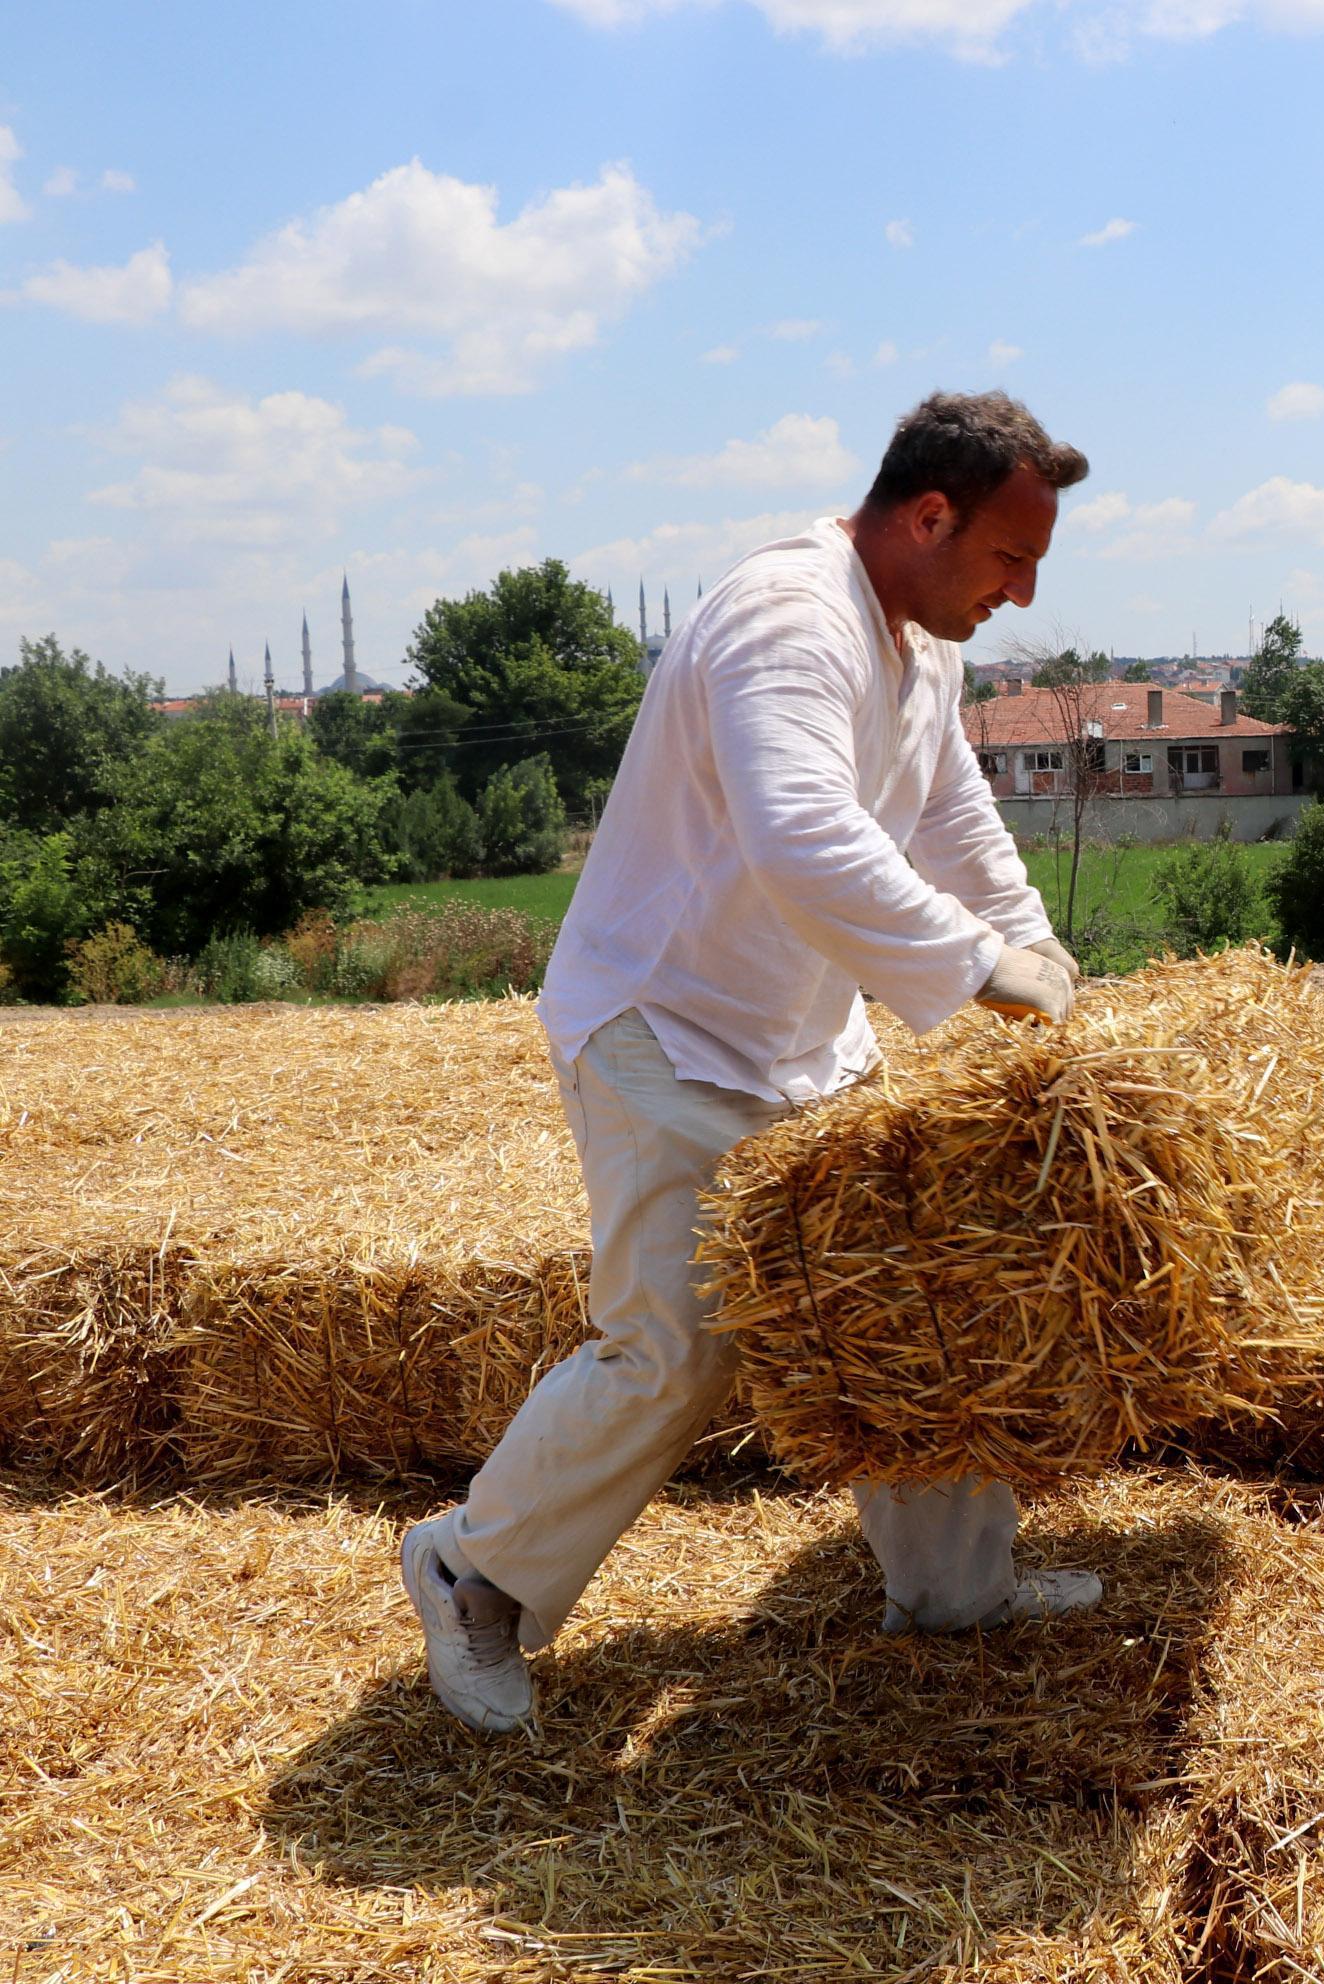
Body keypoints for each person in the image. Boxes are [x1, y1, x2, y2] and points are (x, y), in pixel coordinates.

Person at [399, 392, 1101, 1735]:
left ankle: (957, 1591)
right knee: (678, 1340)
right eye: (1010, 560)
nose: (1018, 594)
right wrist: (979, 969)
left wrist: (1034, 943)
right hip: (662, 1029)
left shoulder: (922, 645)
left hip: (797, 1040)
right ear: (928, 515)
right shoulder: (790, 616)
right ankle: (473, 1570)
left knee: (905, 1293)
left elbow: (954, 815)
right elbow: (798, 838)